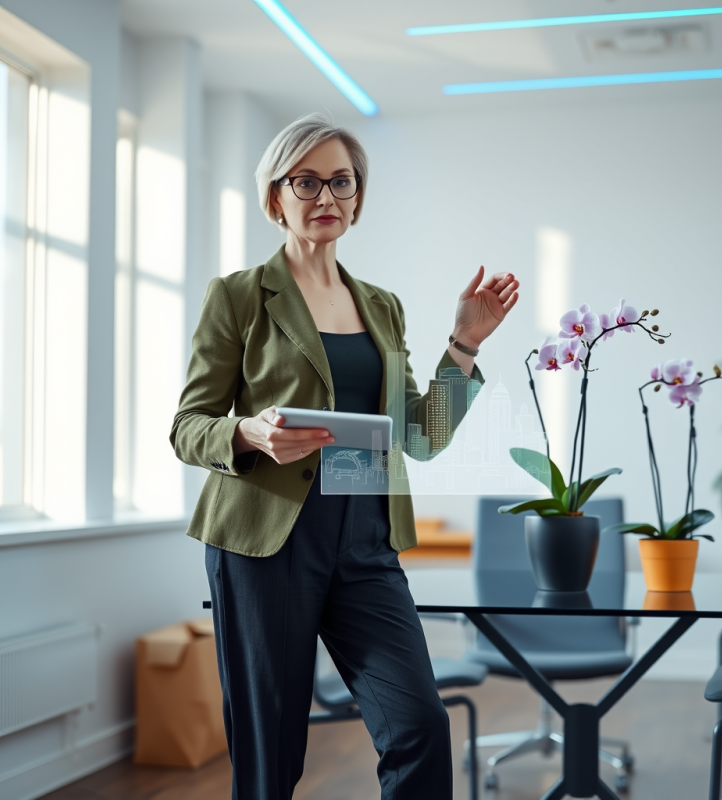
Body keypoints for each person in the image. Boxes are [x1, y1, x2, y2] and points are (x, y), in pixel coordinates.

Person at [170, 113, 520, 800]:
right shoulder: (239, 297)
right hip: (267, 544)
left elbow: (420, 435)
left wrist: (465, 344)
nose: (325, 196)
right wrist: (249, 433)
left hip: (366, 543)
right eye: (307, 181)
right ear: (276, 197)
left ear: (358, 198)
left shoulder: (381, 307)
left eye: (341, 181)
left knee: (418, 722)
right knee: (270, 752)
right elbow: (189, 426)